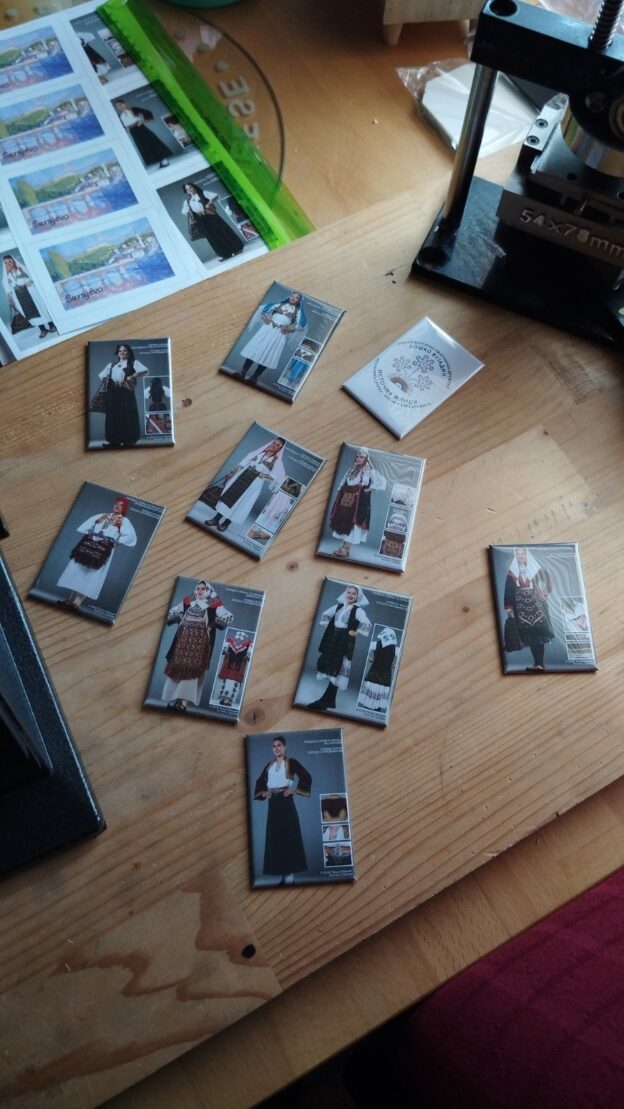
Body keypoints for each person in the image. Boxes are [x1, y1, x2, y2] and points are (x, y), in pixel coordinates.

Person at [161, 580, 233, 712]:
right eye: (198, 588)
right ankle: (171, 699)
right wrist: (178, 619)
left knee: (192, 673)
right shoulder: (189, 601)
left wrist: (212, 626)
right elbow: (174, 611)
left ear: (208, 590)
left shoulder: (214, 603)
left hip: (200, 645)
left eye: (203, 589)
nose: (200, 591)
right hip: (183, 642)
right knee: (176, 669)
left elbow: (227, 616)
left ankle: (182, 702)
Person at [57, 496, 136, 611]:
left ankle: (77, 603)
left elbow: (130, 537)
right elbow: (88, 525)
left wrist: (115, 543)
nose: (117, 506)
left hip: (103, 550)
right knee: (77, 570)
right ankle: (70, 599)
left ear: (124, 508)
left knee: (91, 574)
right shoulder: (104, 516)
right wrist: (86, 538)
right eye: (116, 503)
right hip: (89, 545)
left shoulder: (123, 521)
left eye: (121, 505)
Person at [254, 736, 311, 885]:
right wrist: (264, 793)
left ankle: (290, 874)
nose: (276, 748)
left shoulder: (291, 762)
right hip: (273, 803)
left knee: (289, 836)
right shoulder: (269, 765)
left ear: (285, 747)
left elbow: (306, 776)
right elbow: (259, 782)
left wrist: (295, 791)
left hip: (286, 801)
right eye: (274, 746)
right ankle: (283, 874)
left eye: (279, 745)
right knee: (276, 838)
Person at [307, 584, 372, 711]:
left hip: (344, 641)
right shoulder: (339, 606)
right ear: (346, 593)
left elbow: (367, 623)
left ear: (358, 596)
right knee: (332, 666)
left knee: (339, 667)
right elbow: (325, 614)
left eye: (354, 594)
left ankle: (324, 701)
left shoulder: (358, 610)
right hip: (333, 639)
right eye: (349, 592)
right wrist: (328, 626)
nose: (351, 595)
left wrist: (356, 632)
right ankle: (331, 701)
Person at [204, 436, 286, 534]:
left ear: (280, 449)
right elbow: (244, 462)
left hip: (253, 484)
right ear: (271, 442)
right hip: (241, 477)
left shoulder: (277, 461)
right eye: (274, 443)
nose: (274, 446)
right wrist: (232, 472)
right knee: (228, 497)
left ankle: (226, 523)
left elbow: (278, 476)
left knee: (241, 503)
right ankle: (216, 519)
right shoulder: (259, 452)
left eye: (278, 445)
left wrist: (262, 475)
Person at [234, 292, 306, 384]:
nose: (293, 298)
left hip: (280, 334)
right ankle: (243, 372)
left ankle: (254, 377)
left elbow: (302, 326)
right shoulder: (279, 305)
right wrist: (265, 319)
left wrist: (291, 329)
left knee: (269, 354)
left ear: (299, 301)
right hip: (268, 329)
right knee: (256, 349)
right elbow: (262, 309)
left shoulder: (298, 312)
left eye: (296, 298)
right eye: (292, 296)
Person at [329, 448, 387, 559]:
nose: (358, 458)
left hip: (358, 502)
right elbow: (343, 482)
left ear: (366, 459)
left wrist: (368, 489)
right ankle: (342, 547)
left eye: (361, 457)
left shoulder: (369, 471)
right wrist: (340, 492)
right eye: (357, 456)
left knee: (353, 523)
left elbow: (381, 483)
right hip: (346, 500)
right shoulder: (352, 469)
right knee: (344, 522)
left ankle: (346, 549)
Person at [504, 547, 554, 671]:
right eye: (518, 554)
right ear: (516, 556)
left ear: (527, 556)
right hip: (521, 607)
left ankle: (540, 664)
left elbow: (549, 579)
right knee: (530, 635)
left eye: (523, 554)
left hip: (537, 605)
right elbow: (508, 590)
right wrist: (508, 607)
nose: (521, 556)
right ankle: (537, 664)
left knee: (539, 634)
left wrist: (545, 592)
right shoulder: (512, 572)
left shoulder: (535, 569)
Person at [98, 342, 148, 447]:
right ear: (117, 353)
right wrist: (110, 382)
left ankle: (128, 441)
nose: (122, 352)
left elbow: (144, 370)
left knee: (127, 415)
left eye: (124, 350)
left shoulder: (133, 363)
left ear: (128, 352)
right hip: (113, 393)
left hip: (126, 393)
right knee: (113, 416)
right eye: (120, 350)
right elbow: (102, 375)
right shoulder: (112, 365)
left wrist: (132, 376)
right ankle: (114, 441)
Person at [181, 182, 244, 261]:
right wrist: (193, 216)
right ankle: (225, 254)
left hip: (211, 216)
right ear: (186, 191)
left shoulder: (203, 193)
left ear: (194, 187)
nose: (189, 190)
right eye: (187, 189)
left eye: (190, 187)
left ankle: (237, 249)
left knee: (223, 232)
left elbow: (215, 196)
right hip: (201, 221)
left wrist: (209, 203)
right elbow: (185, 212)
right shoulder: (187, 201)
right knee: (212, 238)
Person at [2, 254, 56, 339]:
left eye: (10, 261)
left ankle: (51, 325)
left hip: (31, 293)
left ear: (14, 261)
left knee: (41, 308)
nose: (8, 264)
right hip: (20, 297)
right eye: (6, 263)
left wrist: (29, 282)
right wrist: (10, 298)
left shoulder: (22, 269)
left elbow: (33, 277)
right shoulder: (7, 276)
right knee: (30, 314)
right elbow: (8, 289)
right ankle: (42, 329)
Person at [114, 99, 170, 168]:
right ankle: (160, 162)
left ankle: (164, 160)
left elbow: (147, 112)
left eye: (120, 104)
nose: (119, 106)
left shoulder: (133, 109)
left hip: (141, 128)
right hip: (133, 132)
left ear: (124, 104)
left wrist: (142, 121)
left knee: (152, 143)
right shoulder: (120, 116)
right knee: (144, 147)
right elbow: (121, 126)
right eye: (117, 106)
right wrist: (126, 128)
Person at [358, 627, 398, 713]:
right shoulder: (395, 649)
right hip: (382, 676)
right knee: (378, 693)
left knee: (373, 694)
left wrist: (370, 658)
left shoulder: (375, 644)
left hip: (376, 674)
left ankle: (371, 710)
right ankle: (373, 710)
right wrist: (394, 664)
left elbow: (365, 650)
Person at [216, 629, 253, 706]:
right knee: (229, 684)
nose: (239, 640)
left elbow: (224, 651)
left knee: (230, 684)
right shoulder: (246, 645)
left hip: (232, 669)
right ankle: (226, 700)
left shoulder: (231, 642)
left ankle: (227, 700)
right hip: (235, 670)